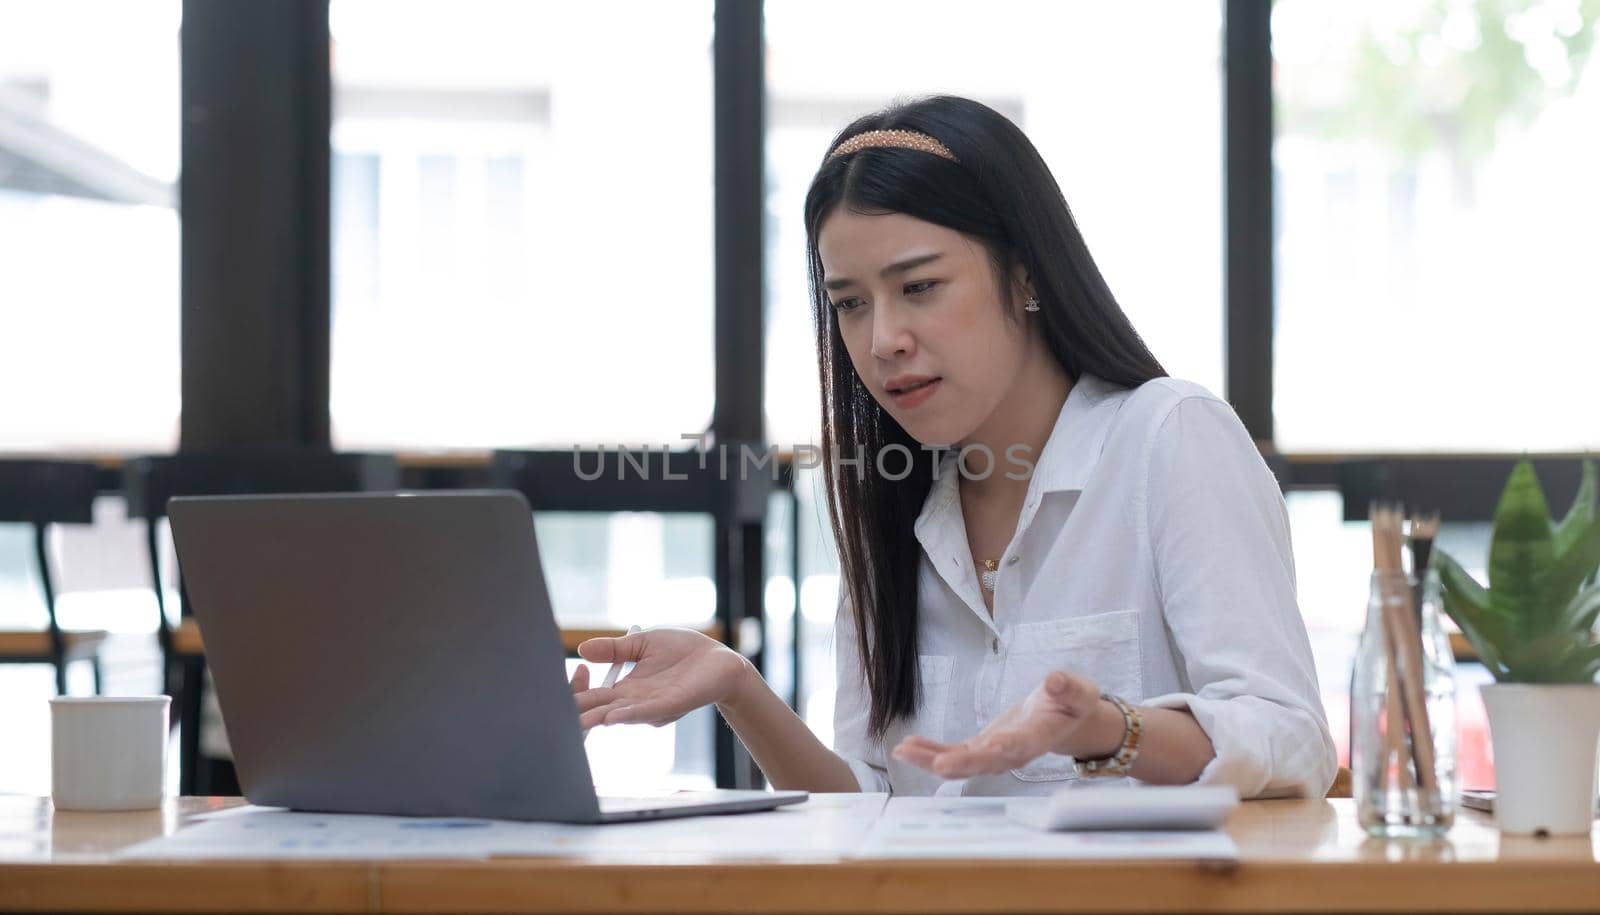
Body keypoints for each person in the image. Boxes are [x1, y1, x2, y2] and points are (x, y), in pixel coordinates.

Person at [571, 95, 1336, 798]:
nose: (882, 341)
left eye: (921, 286)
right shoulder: (886, 500)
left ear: (1025, 272)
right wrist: (738, 687)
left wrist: (1110, 728)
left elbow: (1292, 739)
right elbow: (869, 810)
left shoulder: (1168, 437)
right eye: (850, 304)